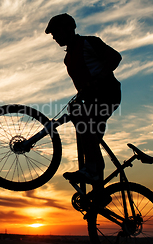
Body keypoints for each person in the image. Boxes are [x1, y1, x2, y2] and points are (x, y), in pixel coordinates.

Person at [45, 13, 121, 201]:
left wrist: (97, 81)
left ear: (68, 28)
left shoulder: (88, 42)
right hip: (91, 100)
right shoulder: (68, 58)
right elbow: (83, 83)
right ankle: (99, 193)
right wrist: (81, 95)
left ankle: (92, 171)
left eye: (56, 32)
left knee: (82, 121)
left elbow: (115, 58)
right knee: (88, 138)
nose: (54, 37)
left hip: (107, 94)